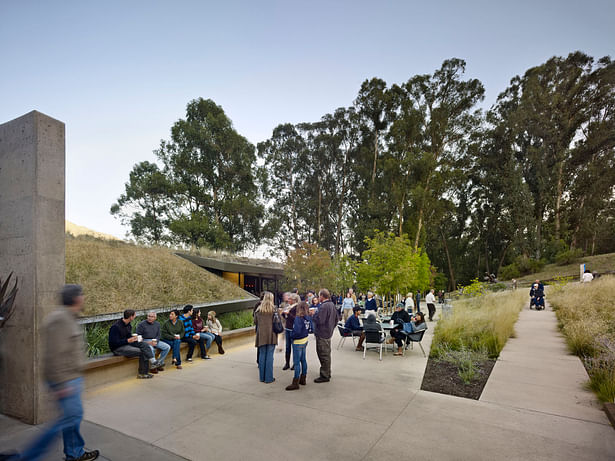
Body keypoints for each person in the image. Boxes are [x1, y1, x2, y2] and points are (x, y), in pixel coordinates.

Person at [1, 285, 100, 461]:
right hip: (66, 380)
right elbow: (53, 355)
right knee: (66, 420)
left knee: (72, 419)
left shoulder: (68, 317)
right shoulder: (60, 319)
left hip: (71, 378)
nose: (84, 298)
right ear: (76, 298)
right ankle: (25, 458)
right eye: (82, 295)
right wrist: (61, 383)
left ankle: (75, 453)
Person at [109, 309, 162, 379]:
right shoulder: (115, 327)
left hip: (127, 344)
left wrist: (134, 338)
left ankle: (153, 361)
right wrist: (127, 340)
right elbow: (113, 343)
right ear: (131, 317)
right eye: (134, 316)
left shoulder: (128, 325)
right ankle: (142, 374)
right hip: (118, 348)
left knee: (144, 345)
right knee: (142, 352)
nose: (135, 317)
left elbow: (128, 336)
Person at [311, 288, 338, 383]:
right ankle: (327, 372)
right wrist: (331, 328)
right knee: (326, 354)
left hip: (322, 333)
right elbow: (337, 319)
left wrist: (313, 315)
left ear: (322, 296)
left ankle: (325, 375)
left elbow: (320, 320)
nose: (318, 298)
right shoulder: (332, 305)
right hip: (327, 333)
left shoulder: (324, 306)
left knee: (323, 354)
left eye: (319, 296)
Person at [285, 301, 312, 390]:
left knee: (296, 362)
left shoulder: (298, 318)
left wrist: (292, 336)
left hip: (297, 342)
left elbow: (296, 331)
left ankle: (295, 382)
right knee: (303, 360)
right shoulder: (308, 317)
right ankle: (303, 378)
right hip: (305, 340)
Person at [254, 291, 278, 383]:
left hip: (261, 335)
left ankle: (262, 377)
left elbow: (255, 322)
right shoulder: (274, 309)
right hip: (271, 335)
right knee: (269, 356)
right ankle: (269, 378)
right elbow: (278, 322)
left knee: (262, 355)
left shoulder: (258, 310)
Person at [281, 293, 300, 370]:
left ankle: (295, 364)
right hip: (287, 328)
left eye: (290, 299)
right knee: (287, 347)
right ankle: (287, 363)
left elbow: (295, 319)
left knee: (294, 347)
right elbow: (286, 318)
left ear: (294, 300)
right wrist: (283, 313)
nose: (288, 300)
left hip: (293, 329)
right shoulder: (288, 306)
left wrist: (288, 314)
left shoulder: (297, 307)